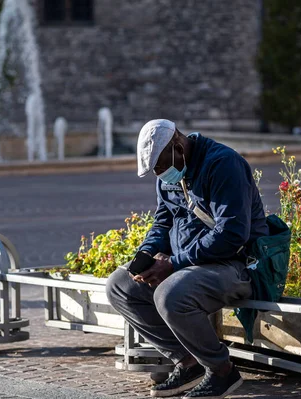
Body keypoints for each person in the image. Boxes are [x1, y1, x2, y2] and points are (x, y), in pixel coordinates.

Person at [106, 119, 269, 399]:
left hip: (236, 265)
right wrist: (146, 253)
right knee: (119, 286)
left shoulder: (223, 164)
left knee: (170, 295)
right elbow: (163, 221)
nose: (160, 174)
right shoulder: (171, 171)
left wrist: (173, 263)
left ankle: (222, 371)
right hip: (191, 265)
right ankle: (188, 362)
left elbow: (231, 235)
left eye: (160, 166)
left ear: (178, 147)